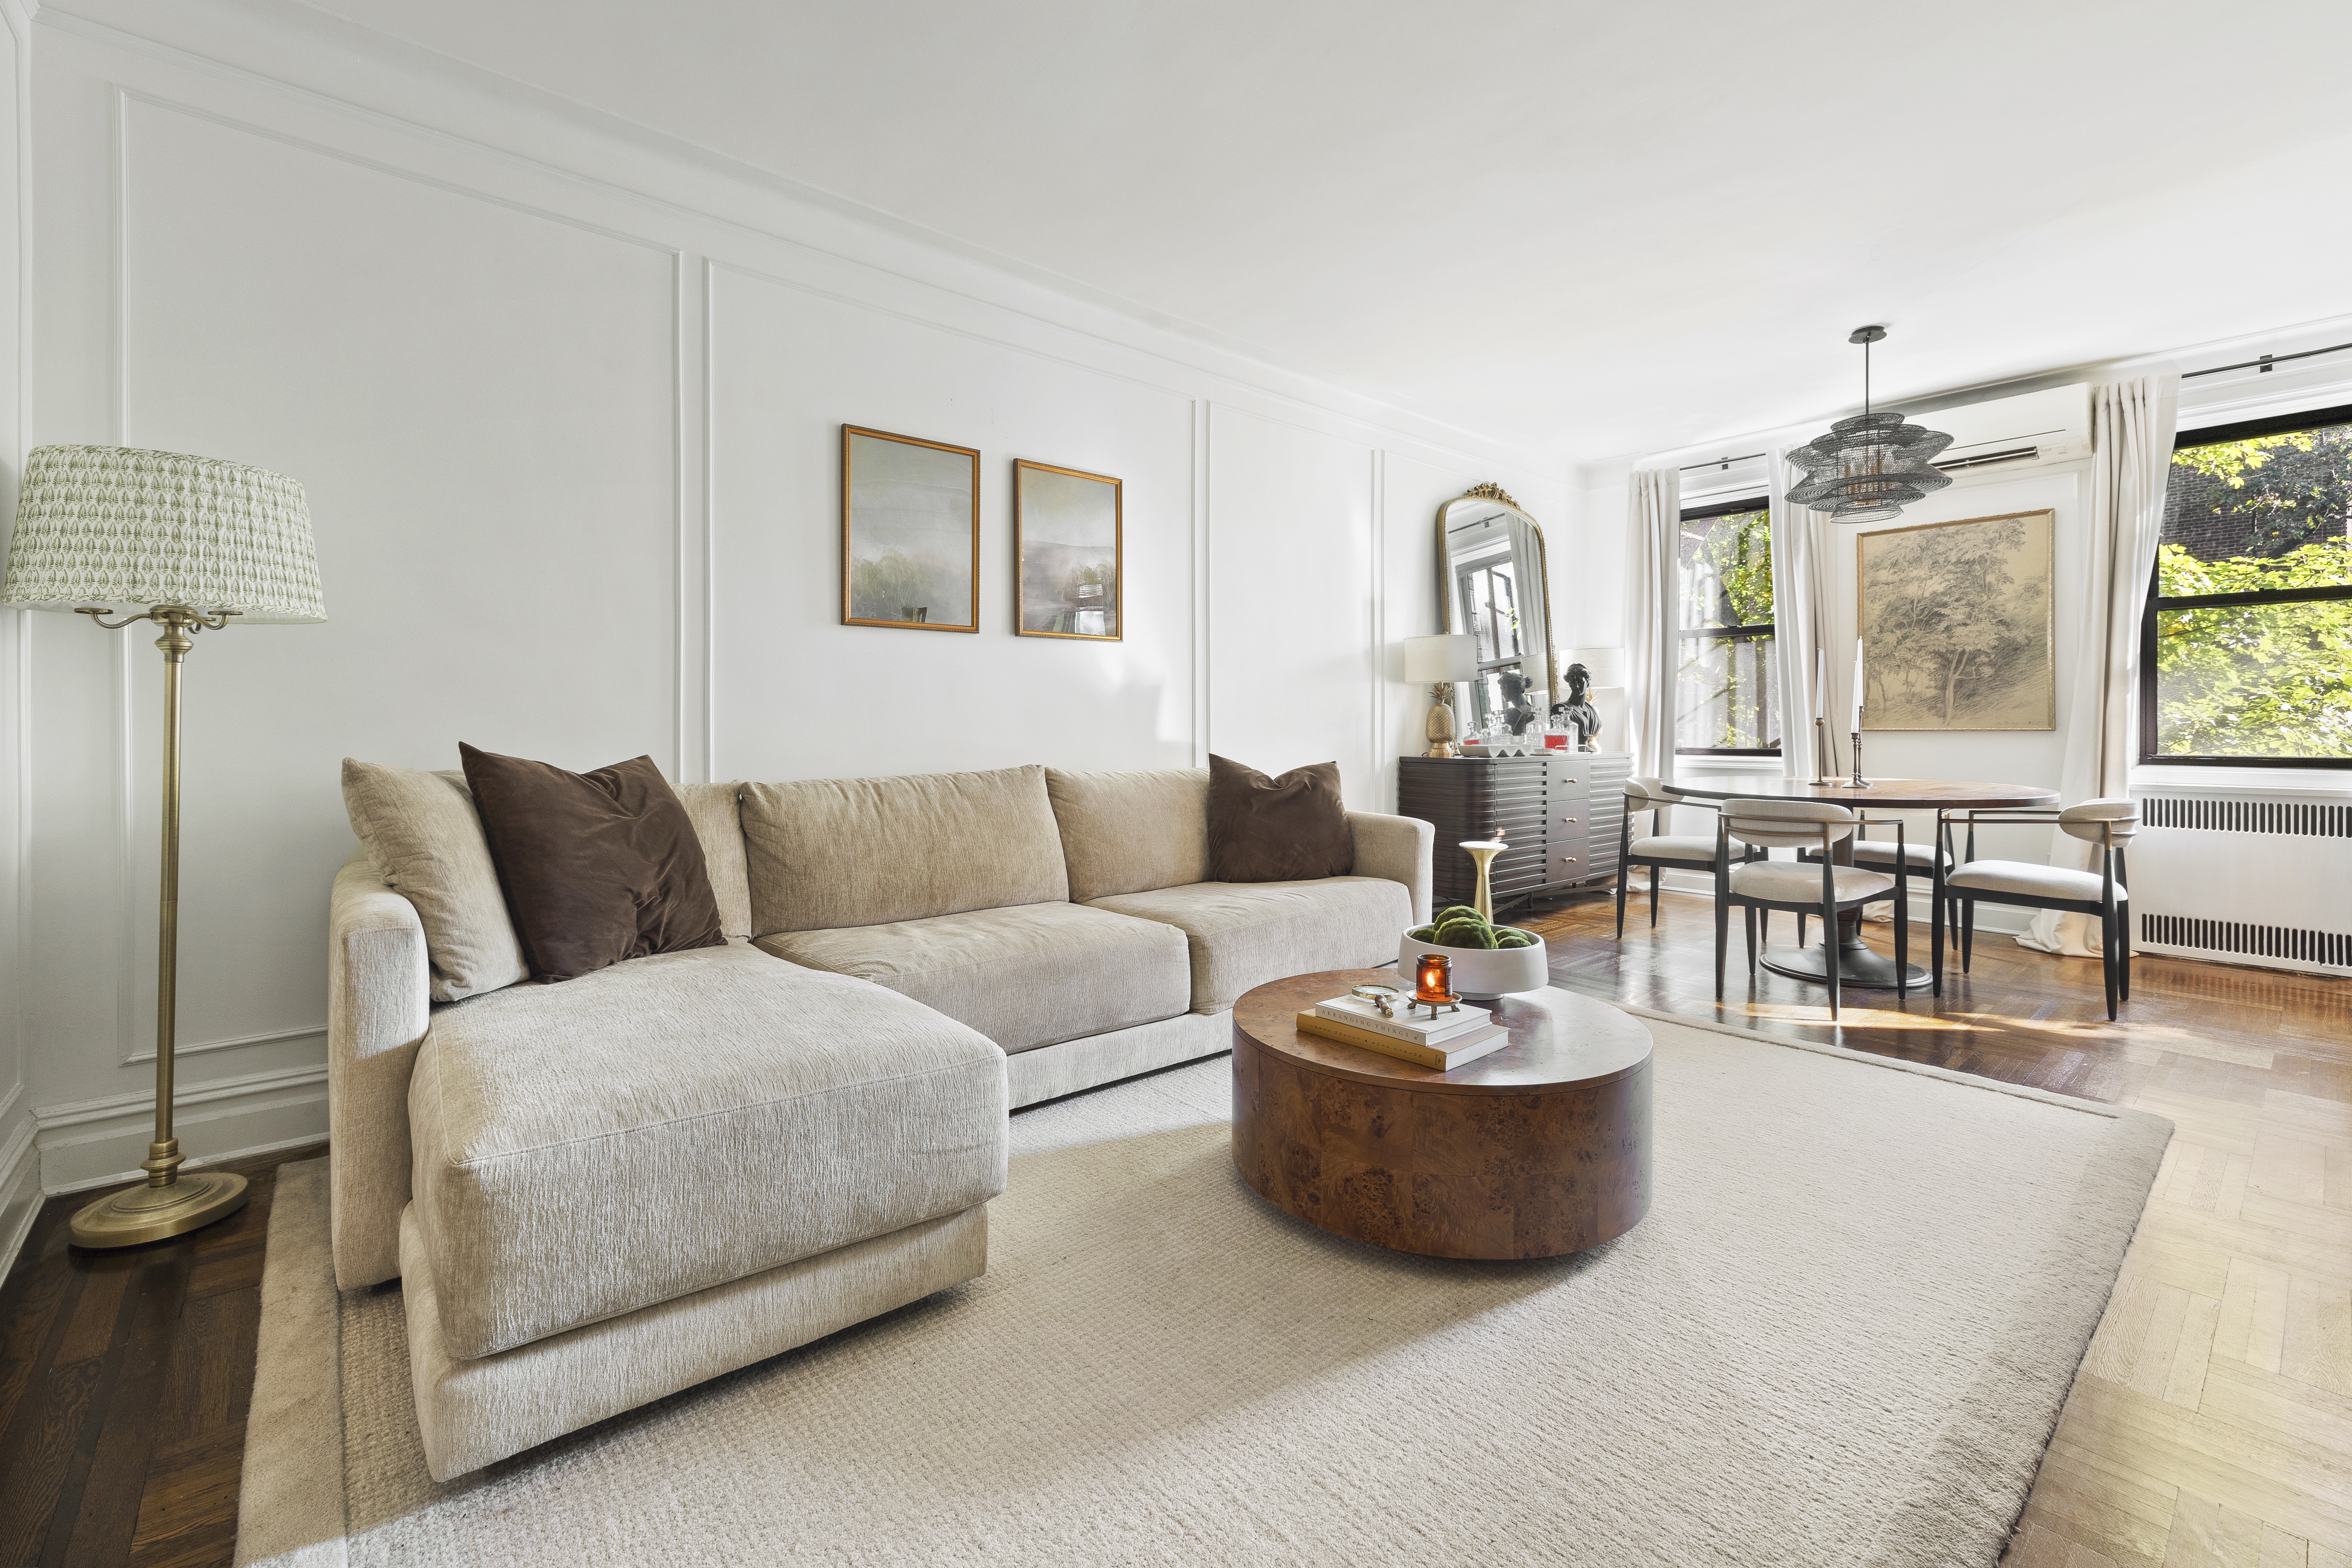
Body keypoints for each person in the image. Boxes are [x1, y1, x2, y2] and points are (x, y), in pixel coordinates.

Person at [1552, 662, 1601, 751]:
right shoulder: (1561, 708)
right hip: (1573, 751)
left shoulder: (1592, 710)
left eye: (1581, 682)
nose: (1577, 686)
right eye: (1573, 683)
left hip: (1588, 751)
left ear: (1588, 684)